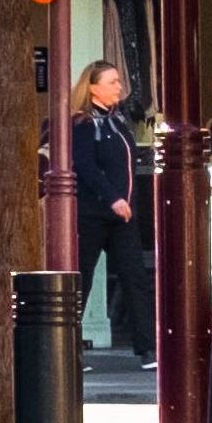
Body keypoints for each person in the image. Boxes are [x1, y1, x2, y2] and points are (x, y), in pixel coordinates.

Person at [64, 56, 148, 358]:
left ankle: (147, 348)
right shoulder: (85, 123)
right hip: (93, 216)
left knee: (135, 277)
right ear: (93, 88)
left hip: (122, 217)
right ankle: (69, 348)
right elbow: (85, 166)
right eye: (112, 82)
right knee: (82, 278)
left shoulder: (117, 119)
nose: (119, 87)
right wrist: (112, 197)